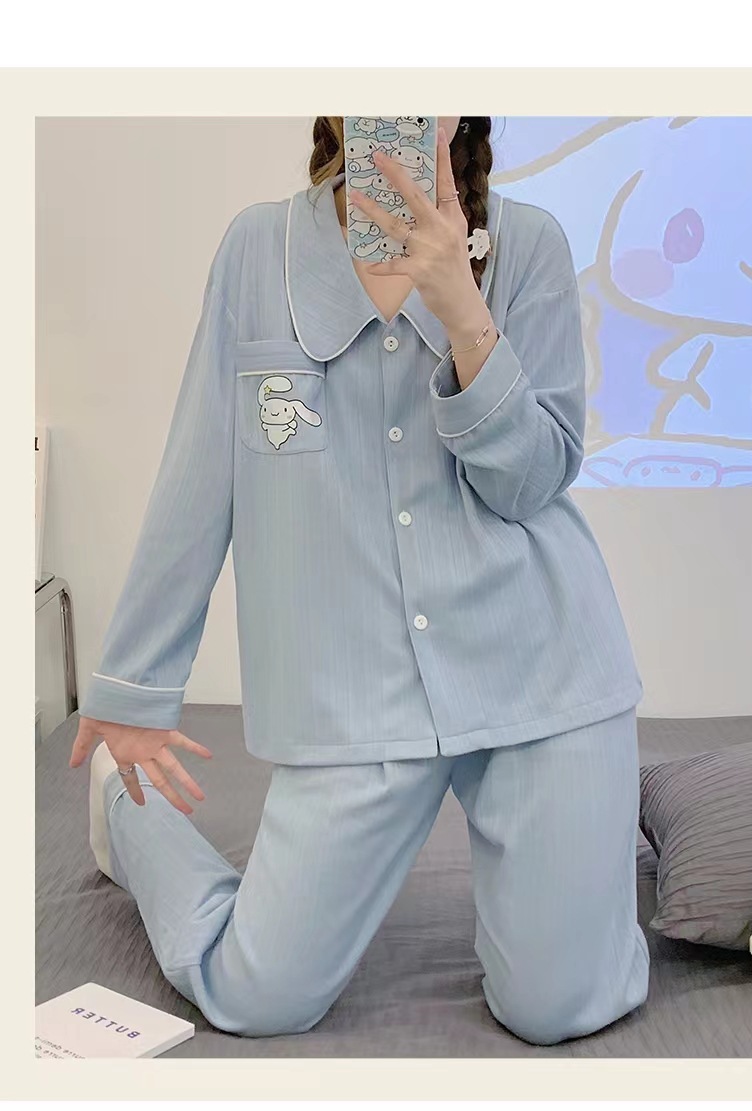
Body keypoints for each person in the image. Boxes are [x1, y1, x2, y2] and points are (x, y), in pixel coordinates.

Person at [70, 116, 650, 1044]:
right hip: (354, 693)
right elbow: (199, 474)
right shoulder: (258, 251)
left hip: (542, 674)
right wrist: (135, 690)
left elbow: (536, 480)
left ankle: (611, 834)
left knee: (559, 1007)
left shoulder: (529, 244)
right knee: (257, 996)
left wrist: (463, 311)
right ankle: (122, 813)